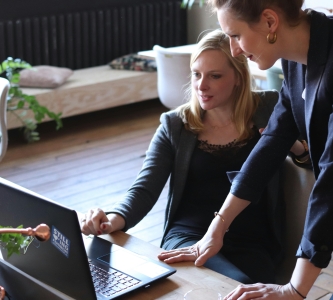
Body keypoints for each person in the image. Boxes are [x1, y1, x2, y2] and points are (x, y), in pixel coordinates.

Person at [80, 29, 305, 284]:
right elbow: (144, 189)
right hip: (189, 236)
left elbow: (310, 160)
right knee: (230, 284)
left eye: (215, 76)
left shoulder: (270, 107)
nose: (201, 85)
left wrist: (292, 145)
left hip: (253, 242)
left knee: (241, 286)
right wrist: (111, 220)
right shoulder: (175, 124)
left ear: (238, 77)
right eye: (196, 74)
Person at [159, 0, 333, 299]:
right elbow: (273, 140)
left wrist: (295, 289)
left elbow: (330, 180)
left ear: (269, 22)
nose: (234, 49)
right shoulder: (296, 58)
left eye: (236, 35)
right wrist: (218, 226)